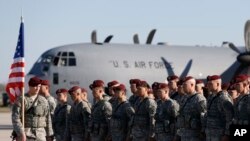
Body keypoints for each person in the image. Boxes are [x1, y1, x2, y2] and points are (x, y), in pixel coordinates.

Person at [12, 76, 53, 141]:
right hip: (26, 135)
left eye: (39, 86)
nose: (37, 88)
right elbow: (15, 118)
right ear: (30, 86)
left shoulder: (43, 100)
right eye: (35, 86)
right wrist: (21, 133)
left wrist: (49, 135)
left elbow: (48, 118)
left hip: (41, 135)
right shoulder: (22, 100)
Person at [175, 76, 206, 141]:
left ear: (192, 85)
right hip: (184, 134)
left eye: (185, 85)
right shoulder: (184, 98)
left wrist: (203, 132)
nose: (183, 87)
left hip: (195, 135)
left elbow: (204, 117)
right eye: (182, 85)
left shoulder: (199, 98)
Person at [205, 75, 234, 141]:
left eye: (210, 84)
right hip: (210, 134)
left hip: (220, 135)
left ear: (218, 84)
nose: (208, 86)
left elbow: (230, 117)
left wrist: (227, 134)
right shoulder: (211, 97)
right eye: (208, 83)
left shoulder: (223, 98)